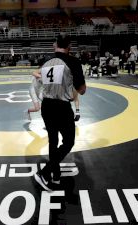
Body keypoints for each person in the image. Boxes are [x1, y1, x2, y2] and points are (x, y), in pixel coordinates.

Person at [33, 33, 86, 191]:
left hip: (47, 105)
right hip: (61, 107)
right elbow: (82, 90)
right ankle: (45, 172)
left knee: (53, 141)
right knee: (68, 141)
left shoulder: (47, 62)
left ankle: (55, 176)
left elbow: (39, 78)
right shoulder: (73, 62)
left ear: (55, 45)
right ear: (69, 46)